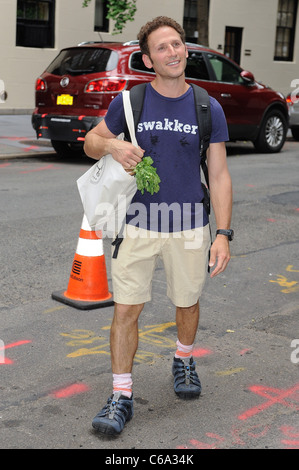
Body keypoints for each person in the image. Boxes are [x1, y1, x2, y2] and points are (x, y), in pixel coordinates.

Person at [83, 16, 233, 436]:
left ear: (185, 50)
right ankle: (121, 395)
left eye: (177, 44)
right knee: (126, 308)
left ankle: (184, 359)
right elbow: (91, 143)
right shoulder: (131, 102)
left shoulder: (207, 106)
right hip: (137, 224)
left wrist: (222, 233)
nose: (172, 52)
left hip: (188, 226)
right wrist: (112, 144)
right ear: (148, 60)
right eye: (162, 48)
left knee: (186, 301)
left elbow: (219, 175)